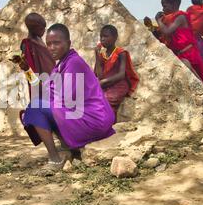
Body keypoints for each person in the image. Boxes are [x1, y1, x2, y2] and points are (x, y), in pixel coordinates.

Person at [22, 23, 116, 175]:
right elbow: (43, 88)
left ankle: (55, 159)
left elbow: (61, 100)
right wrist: (26, 69)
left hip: (94, 120)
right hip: (84, 117)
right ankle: (69, 145)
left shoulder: (74, 63)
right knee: (36, 108)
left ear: (68, 43)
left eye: (56, 43)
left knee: (36, 108)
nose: (51, 47)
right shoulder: (61, 65)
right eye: (49, 44)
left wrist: (40, 106)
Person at [154, 0, 203, 97]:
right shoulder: (172, 18)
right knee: (194, 76)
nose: (163, 8)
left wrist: (158, 21)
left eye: (165, 5)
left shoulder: (180, 17)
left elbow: (167, 31)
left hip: (190, 52)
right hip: (181, 53)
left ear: (174, 4)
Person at [94, 25, 139, 118]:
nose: (102, 39)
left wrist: (103, 82)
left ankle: (109, 123)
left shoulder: (121, 53)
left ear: (115, 38)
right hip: (105, 84)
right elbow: (100, 76)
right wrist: (97, 57)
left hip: (119, 84)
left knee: (107, 99)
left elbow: (121, 75)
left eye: (105, 36)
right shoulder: (102, 55)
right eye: (101, 36)